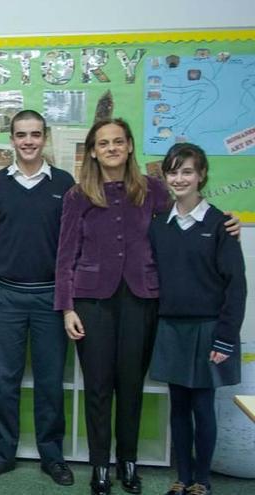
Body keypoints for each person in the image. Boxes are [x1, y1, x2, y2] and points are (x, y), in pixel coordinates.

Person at [55, 119, 238, 495]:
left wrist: (227, 220)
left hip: (141, 299)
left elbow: (187, 212)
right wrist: (67, 307)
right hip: (92, 302)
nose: (111, 148)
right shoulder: (78, 195)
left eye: (118, 141)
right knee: (99, 388)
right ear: (92, 150)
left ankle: (129, 461)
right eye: (103, 143)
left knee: (131, 386)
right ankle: (100, 466)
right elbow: (65, 255)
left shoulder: (152, 189)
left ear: (129, 146)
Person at [0, 110, 75, 486]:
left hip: (51, 299)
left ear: (45, 137)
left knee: (50, 382)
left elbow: (74, 243)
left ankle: (53, 456)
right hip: (6, 297)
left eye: (35, 134)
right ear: (11, 139)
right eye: (21, 135)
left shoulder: (65, 184)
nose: (29, 141)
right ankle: (3, 452)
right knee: (4, 380)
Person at [149, 143, 245, 495]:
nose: (179, 178)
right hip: (172, 327)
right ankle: (182, 477)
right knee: (178, 406)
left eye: (187, 171)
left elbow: (236, 287)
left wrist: (225, 337)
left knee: (203, 406)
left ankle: (202, 480)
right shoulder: (160, 225)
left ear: (201, 175)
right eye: (173, 172)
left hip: (208, 330)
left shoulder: (222, 225)